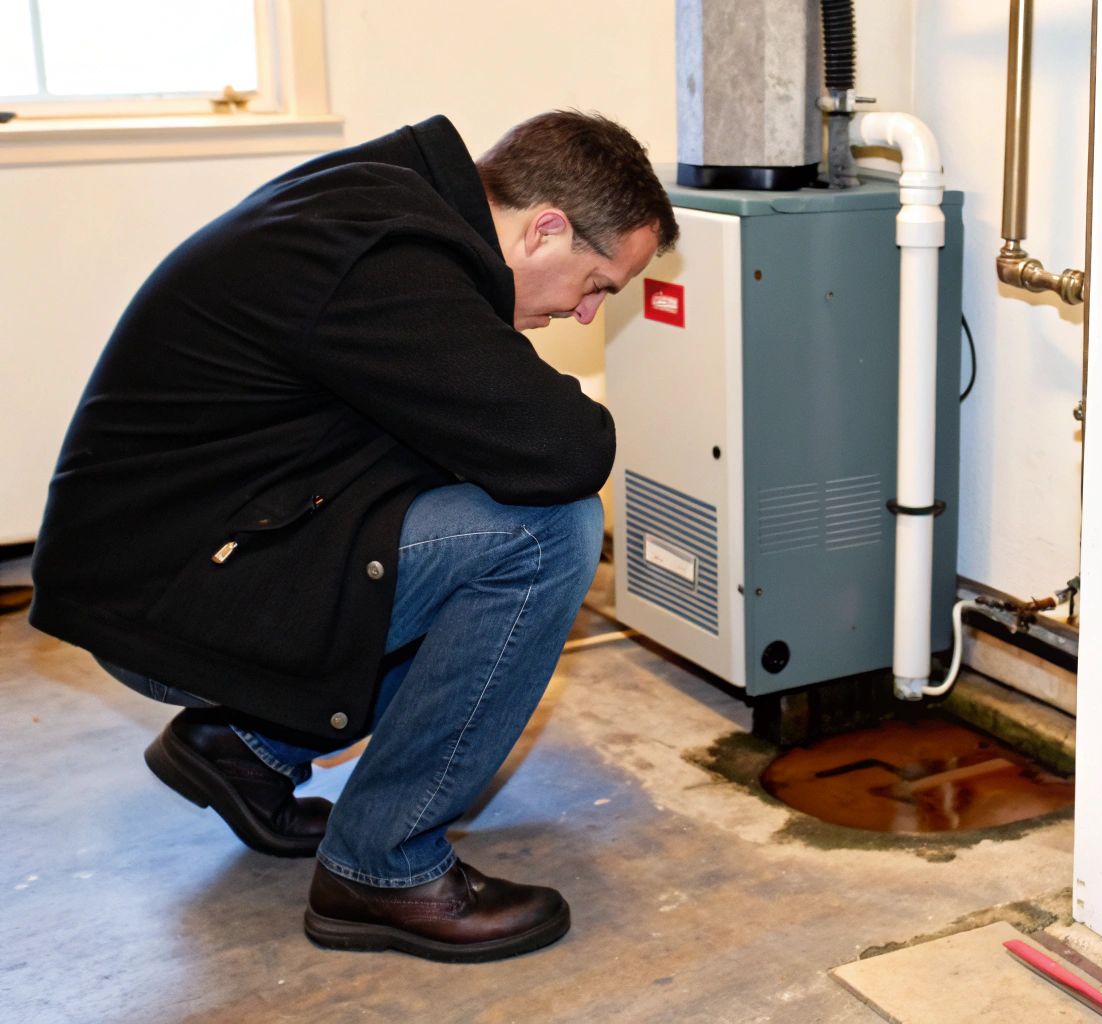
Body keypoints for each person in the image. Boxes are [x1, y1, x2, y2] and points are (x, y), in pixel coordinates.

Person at [29, 111, 678, 963]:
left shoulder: (391, 207)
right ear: (545, 227)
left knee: (480, 495)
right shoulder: (384, 260)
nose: (587, 311)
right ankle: (384, 866)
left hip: (186, 552)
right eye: (597, 284)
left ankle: (248, 748)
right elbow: (565, 450)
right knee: (548, 534)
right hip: (166, 592)